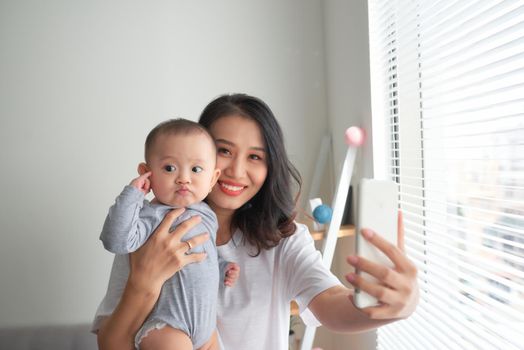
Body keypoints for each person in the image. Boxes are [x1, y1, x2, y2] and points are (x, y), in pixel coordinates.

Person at [96, 94, 419, 350]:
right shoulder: (152, 229)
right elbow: (110, 343)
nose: (237, 171)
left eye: (255, 156)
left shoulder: (285, 240)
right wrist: (145, 281)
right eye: (224, 150)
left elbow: (331, 303)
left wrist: (393, 305)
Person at [92, 119, 240, 350]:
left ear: (212, 178)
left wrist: (223, 267)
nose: (184, 178)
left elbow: (203, 254)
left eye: (196, 169)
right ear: (146, 174)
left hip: (205, 327)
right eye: (170, 168)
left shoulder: (206, 215)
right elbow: (116, 240)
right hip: (166, 326)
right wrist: (132, 195)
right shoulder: (150, 216)